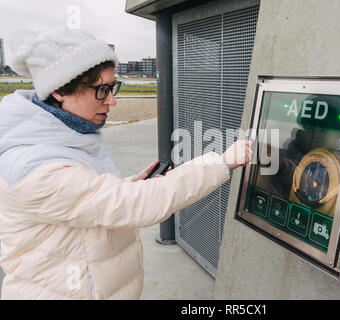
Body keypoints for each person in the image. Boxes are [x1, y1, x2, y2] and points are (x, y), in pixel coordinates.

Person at [0, 27, 252, 300]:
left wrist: (127, 185)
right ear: (60, 90)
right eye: (101, 90)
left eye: (112, 87)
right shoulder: (34, 165)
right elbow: (132, 205)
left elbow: (87, 199)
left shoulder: (62, 136)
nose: (112, 101)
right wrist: (222, 163)